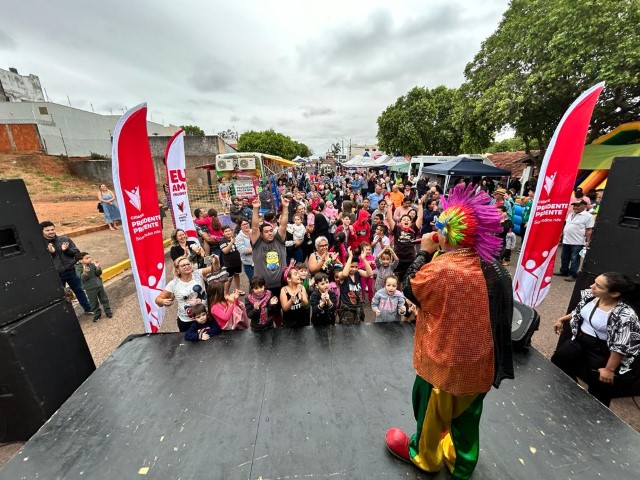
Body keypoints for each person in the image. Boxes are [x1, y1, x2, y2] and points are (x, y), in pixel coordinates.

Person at [385, 183, 514, 479]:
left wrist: (425, 252)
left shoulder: (441, 268)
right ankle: (461, 464)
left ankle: (425, 457)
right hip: (480, 365)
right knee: (467, 418)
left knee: (430, 412)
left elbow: (410, 287)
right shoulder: (494, 268)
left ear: (445, 233)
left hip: (442, 365)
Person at [551, 272, 640, 406]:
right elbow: (579, 311)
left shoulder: (626, 315)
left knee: (599, 387)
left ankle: (594, 414)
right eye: (594, 282)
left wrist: (609, 370)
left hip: (601, 349)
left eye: (598, 286)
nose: (592, 286)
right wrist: (561, 319)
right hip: (579, 340)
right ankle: (572, 394)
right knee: (559, 359)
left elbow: (622, 345)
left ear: (614, 294)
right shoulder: (590, 295)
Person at [40, 221, 92, 315]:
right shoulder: (41, 244)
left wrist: (66, 250)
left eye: (52, 229)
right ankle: (66, 315)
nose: (51, 232)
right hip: (57, 274)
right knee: (61, 296)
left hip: (72, 270)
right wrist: (50, 253)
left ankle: (88, 308)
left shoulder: (64, 239)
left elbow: (77, 254)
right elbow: (40, 261)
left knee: (79, 290)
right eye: (48, 230)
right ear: (42, 231)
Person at [154, 255, 217, 332]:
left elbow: (215, 268)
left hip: (204, 316)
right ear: (177, 269)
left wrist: (216, 262)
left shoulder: (198, 273)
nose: (187, 266)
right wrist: (162, 301)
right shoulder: (174, 283)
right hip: (186, 321)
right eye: (183, 265)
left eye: (188, 264)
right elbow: (158, 300)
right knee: (189, 341)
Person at [250, 195, 290, 300]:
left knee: (281, 311)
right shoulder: (257, 243)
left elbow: (283, 225)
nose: (270, 233)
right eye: (266, 232)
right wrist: (255, 208)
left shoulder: (279, 240)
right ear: (261, 234)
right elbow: (254, 228)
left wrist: (285, 207)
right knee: (266, 313)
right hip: (263, 287)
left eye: (271, 231)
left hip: (281, 283)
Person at [554, 200, 595, 282]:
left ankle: (573, 274)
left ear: (584, 206)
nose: (575, 207)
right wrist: (561, 235)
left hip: (578, 241)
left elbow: (589, 230)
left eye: (578, 205)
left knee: (574, 258)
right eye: (574, 205)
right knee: (564, 257)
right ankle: (563, 271)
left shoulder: (588, 216)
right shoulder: (570, 214)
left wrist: (588, 241)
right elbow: (566, 225)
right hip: (566, 240)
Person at [337, 248, 373, 325]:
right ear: (346, 264)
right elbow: (345, 274)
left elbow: (369, 274)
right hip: (347, 309)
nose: (354, 269)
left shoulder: (358, 273)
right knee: (347, 330)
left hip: (358, 307)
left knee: (357, 329)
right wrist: (350, 257)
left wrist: (363, 259)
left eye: (356, 267)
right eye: (352, 266)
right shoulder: (341, 274)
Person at [74, 251, 112, 322]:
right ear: (80, 260)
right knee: (93, 302)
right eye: (87, 258)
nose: (89, 259)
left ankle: (108, 311)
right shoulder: (78, 268)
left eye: (89, 257)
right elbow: (82, 279)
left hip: (98, 285)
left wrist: (97, 267)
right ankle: (97, 314)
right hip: (90, 288)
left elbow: (98, 274)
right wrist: (85, 272)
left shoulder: (92, 265)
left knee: (104, 299)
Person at [219, 225, 244, 296]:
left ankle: (237, 290)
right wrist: (231, 242)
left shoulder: (235, 238)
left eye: (229, 230)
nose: (228, 232)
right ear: (223, 233)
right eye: (226, 231)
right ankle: (225, 294)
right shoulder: (222, 241)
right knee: (229, 279)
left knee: (237, 275)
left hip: (237, 261)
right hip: (228, 264)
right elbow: (225, 251)